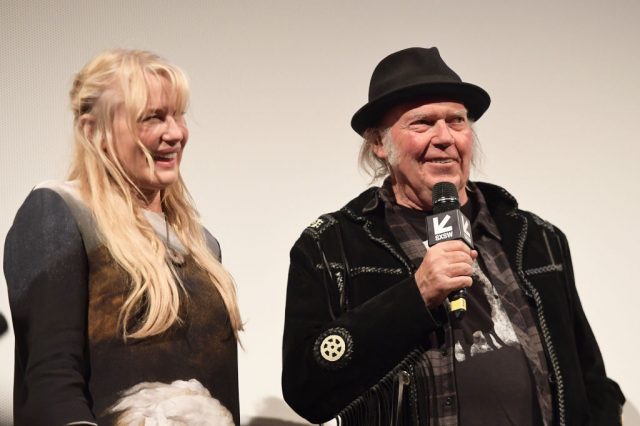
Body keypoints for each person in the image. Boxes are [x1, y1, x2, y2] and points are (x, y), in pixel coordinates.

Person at [281, 47, 624, 425]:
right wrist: (415, 296)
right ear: (380, 144)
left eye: (457, 121)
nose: (445, 137)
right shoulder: (332, 247)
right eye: (422, 123)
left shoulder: (537, 238)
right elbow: (306, 390)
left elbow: (589, 376)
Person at [4, 49, 242, 425]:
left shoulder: (203, 244)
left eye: (178, 115)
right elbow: (52, 381)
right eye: (152, 118)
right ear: (92, 130)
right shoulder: (61, 210)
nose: (175, 133)